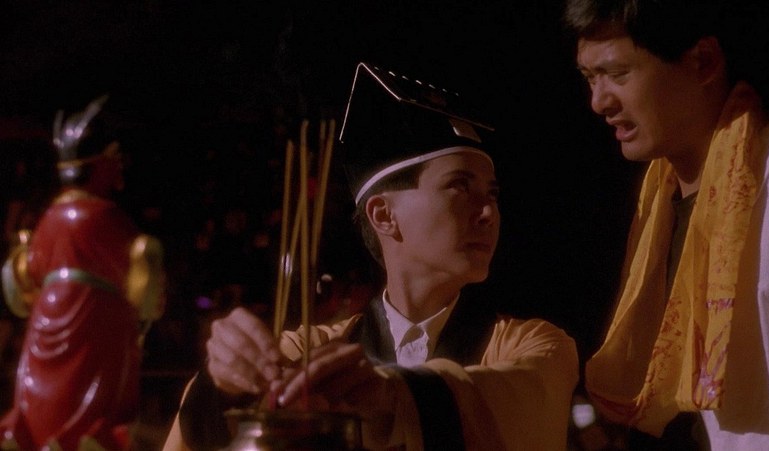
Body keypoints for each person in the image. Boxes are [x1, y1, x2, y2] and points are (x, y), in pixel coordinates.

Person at [163, 62, 579, 451]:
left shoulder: (535, 345)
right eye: (460, 186)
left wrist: (393, 395)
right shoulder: (310, 350)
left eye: (493, 194)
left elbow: (524, 402)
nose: (488, 213)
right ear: (383, 215)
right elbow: (208, 432)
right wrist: (226, 381)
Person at [563, 1, 769, 450]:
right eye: (590, 78)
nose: (599, 102)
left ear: (704, 62)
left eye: (618, 74)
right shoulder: (656, 198)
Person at [0, 95, 166, 450]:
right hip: (97, 317)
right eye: (115, 159)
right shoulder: (108, 218)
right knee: (94, 400)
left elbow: (27, 273)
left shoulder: (49, 218)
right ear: (103, 164)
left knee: (44, 395)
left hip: (49, 316)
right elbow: (140, 276)